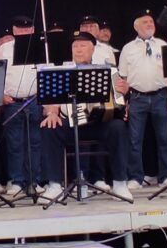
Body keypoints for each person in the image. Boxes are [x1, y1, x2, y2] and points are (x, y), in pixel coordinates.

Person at [39, 31, 133, 202]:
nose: (78, 49)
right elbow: (52, 102)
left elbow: (119, 99)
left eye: (83, 46)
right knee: (49, 127)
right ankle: (54, 185)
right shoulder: (62, 71)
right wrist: (52, 113)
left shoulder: (109, 71)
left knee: (118, 127)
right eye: (75, 46)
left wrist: (124, 91)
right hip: (71, 124)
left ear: (93, 49)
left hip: (98, 124)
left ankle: (120, 183)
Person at [115, 9, 167, 189]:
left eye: (151, 21)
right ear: (136, 26)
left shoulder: (162, 44)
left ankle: (165, 176)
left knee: (164, 138)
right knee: (135, 140)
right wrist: (123, 103)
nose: (150, 24)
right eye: (145, 22)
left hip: (160, 96)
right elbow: (122, 78)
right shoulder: (128, 48)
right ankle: (136, 177)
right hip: (137, 98)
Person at [0, 15, 43, 196]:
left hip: (35, 100)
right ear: (14, 30)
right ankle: (16, 181)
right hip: (13, 102)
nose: (24, 31)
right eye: (20, 29)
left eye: (27, 28)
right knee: (14, 143)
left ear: (33, 30)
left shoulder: (41, 46)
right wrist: (1, 95)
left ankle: (34, 181)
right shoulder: (4, 49)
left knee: (35, 142)